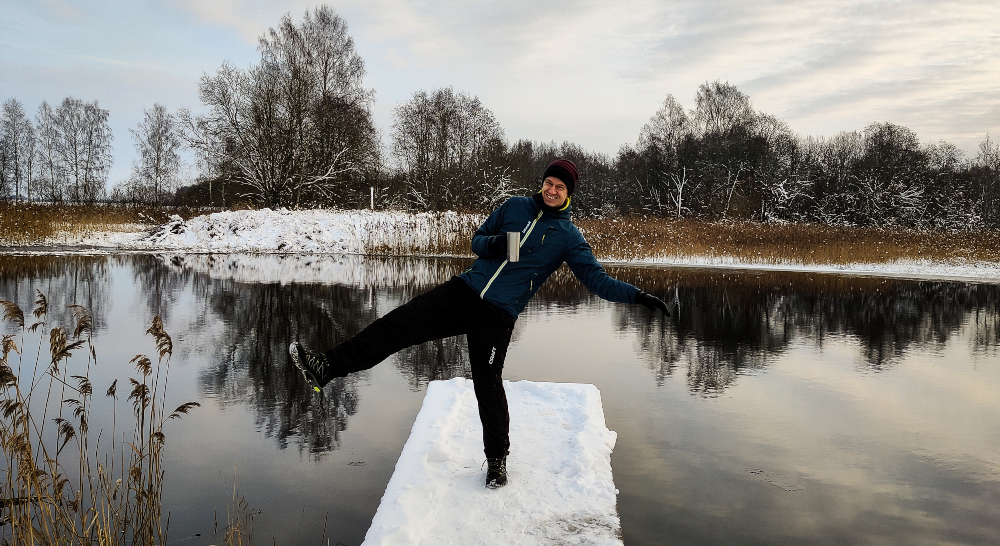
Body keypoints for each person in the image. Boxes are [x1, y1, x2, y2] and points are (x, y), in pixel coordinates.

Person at [289, 158, 670, 488]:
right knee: (397, 325)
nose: (552, 190)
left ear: (569, 193)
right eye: (549, 183)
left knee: (487, 384)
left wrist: (638, 296)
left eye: (560, 186)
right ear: (542, 183)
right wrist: (496, 245)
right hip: (463, 292)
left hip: (498, 314)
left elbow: (597, 280)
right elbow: (477, 239)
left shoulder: (568, 236)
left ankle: (497, 460)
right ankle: (327, 367)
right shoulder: (515, 206)